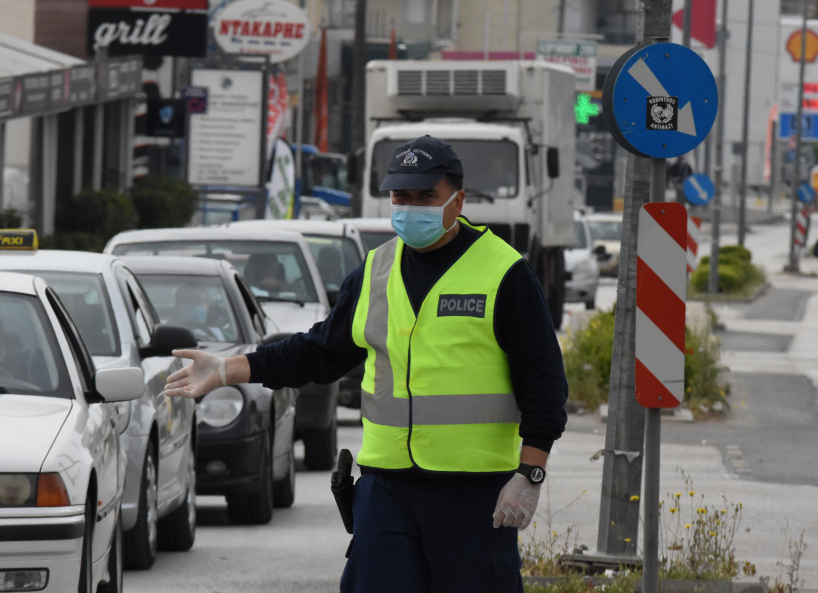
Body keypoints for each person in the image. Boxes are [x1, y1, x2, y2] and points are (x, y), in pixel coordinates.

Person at [165, 134, 568, 593]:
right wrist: (225, 370)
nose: (411, 208)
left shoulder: (505, 273)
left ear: (458, 200)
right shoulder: (376, 269)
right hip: (387, 490)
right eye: (401, 197)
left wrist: (530, 475)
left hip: (472, 493)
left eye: (426, 197)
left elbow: (545, 387)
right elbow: (319, 351)